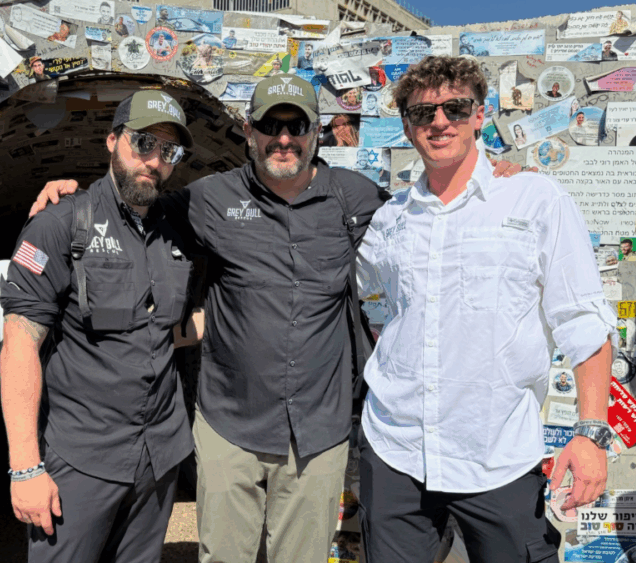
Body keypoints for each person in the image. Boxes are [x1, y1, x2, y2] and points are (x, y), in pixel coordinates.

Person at [30, 75, 389, 563]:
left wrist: (491, 174)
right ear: (249, 130)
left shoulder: (356, 198)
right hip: (229, 428)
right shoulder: (208, 199)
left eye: (296, 124)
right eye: (270, 124)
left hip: (318, 431)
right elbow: (129, 203)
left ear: (316, 131)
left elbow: (430, 218)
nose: (283, 138)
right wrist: (68, 195)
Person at [356, 55, 614, 563]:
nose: (439, 122)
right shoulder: (389, 220)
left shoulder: (535, 199)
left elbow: (583, 322)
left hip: (497, 454)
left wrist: (590, 433)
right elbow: (375, 304)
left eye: (455, 107)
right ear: (406, 126)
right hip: (397, 449)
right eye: (421, 114)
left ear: (480, 114)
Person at [0, 91, 199, 563]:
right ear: (112, 140)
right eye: (143, 142)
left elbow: (165, 327)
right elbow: (19, 346)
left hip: (159, 457)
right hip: (82, 461)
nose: (154, 160)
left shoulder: (177, 227)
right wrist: (25, 468)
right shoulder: (61, 224)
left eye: (168, 151)